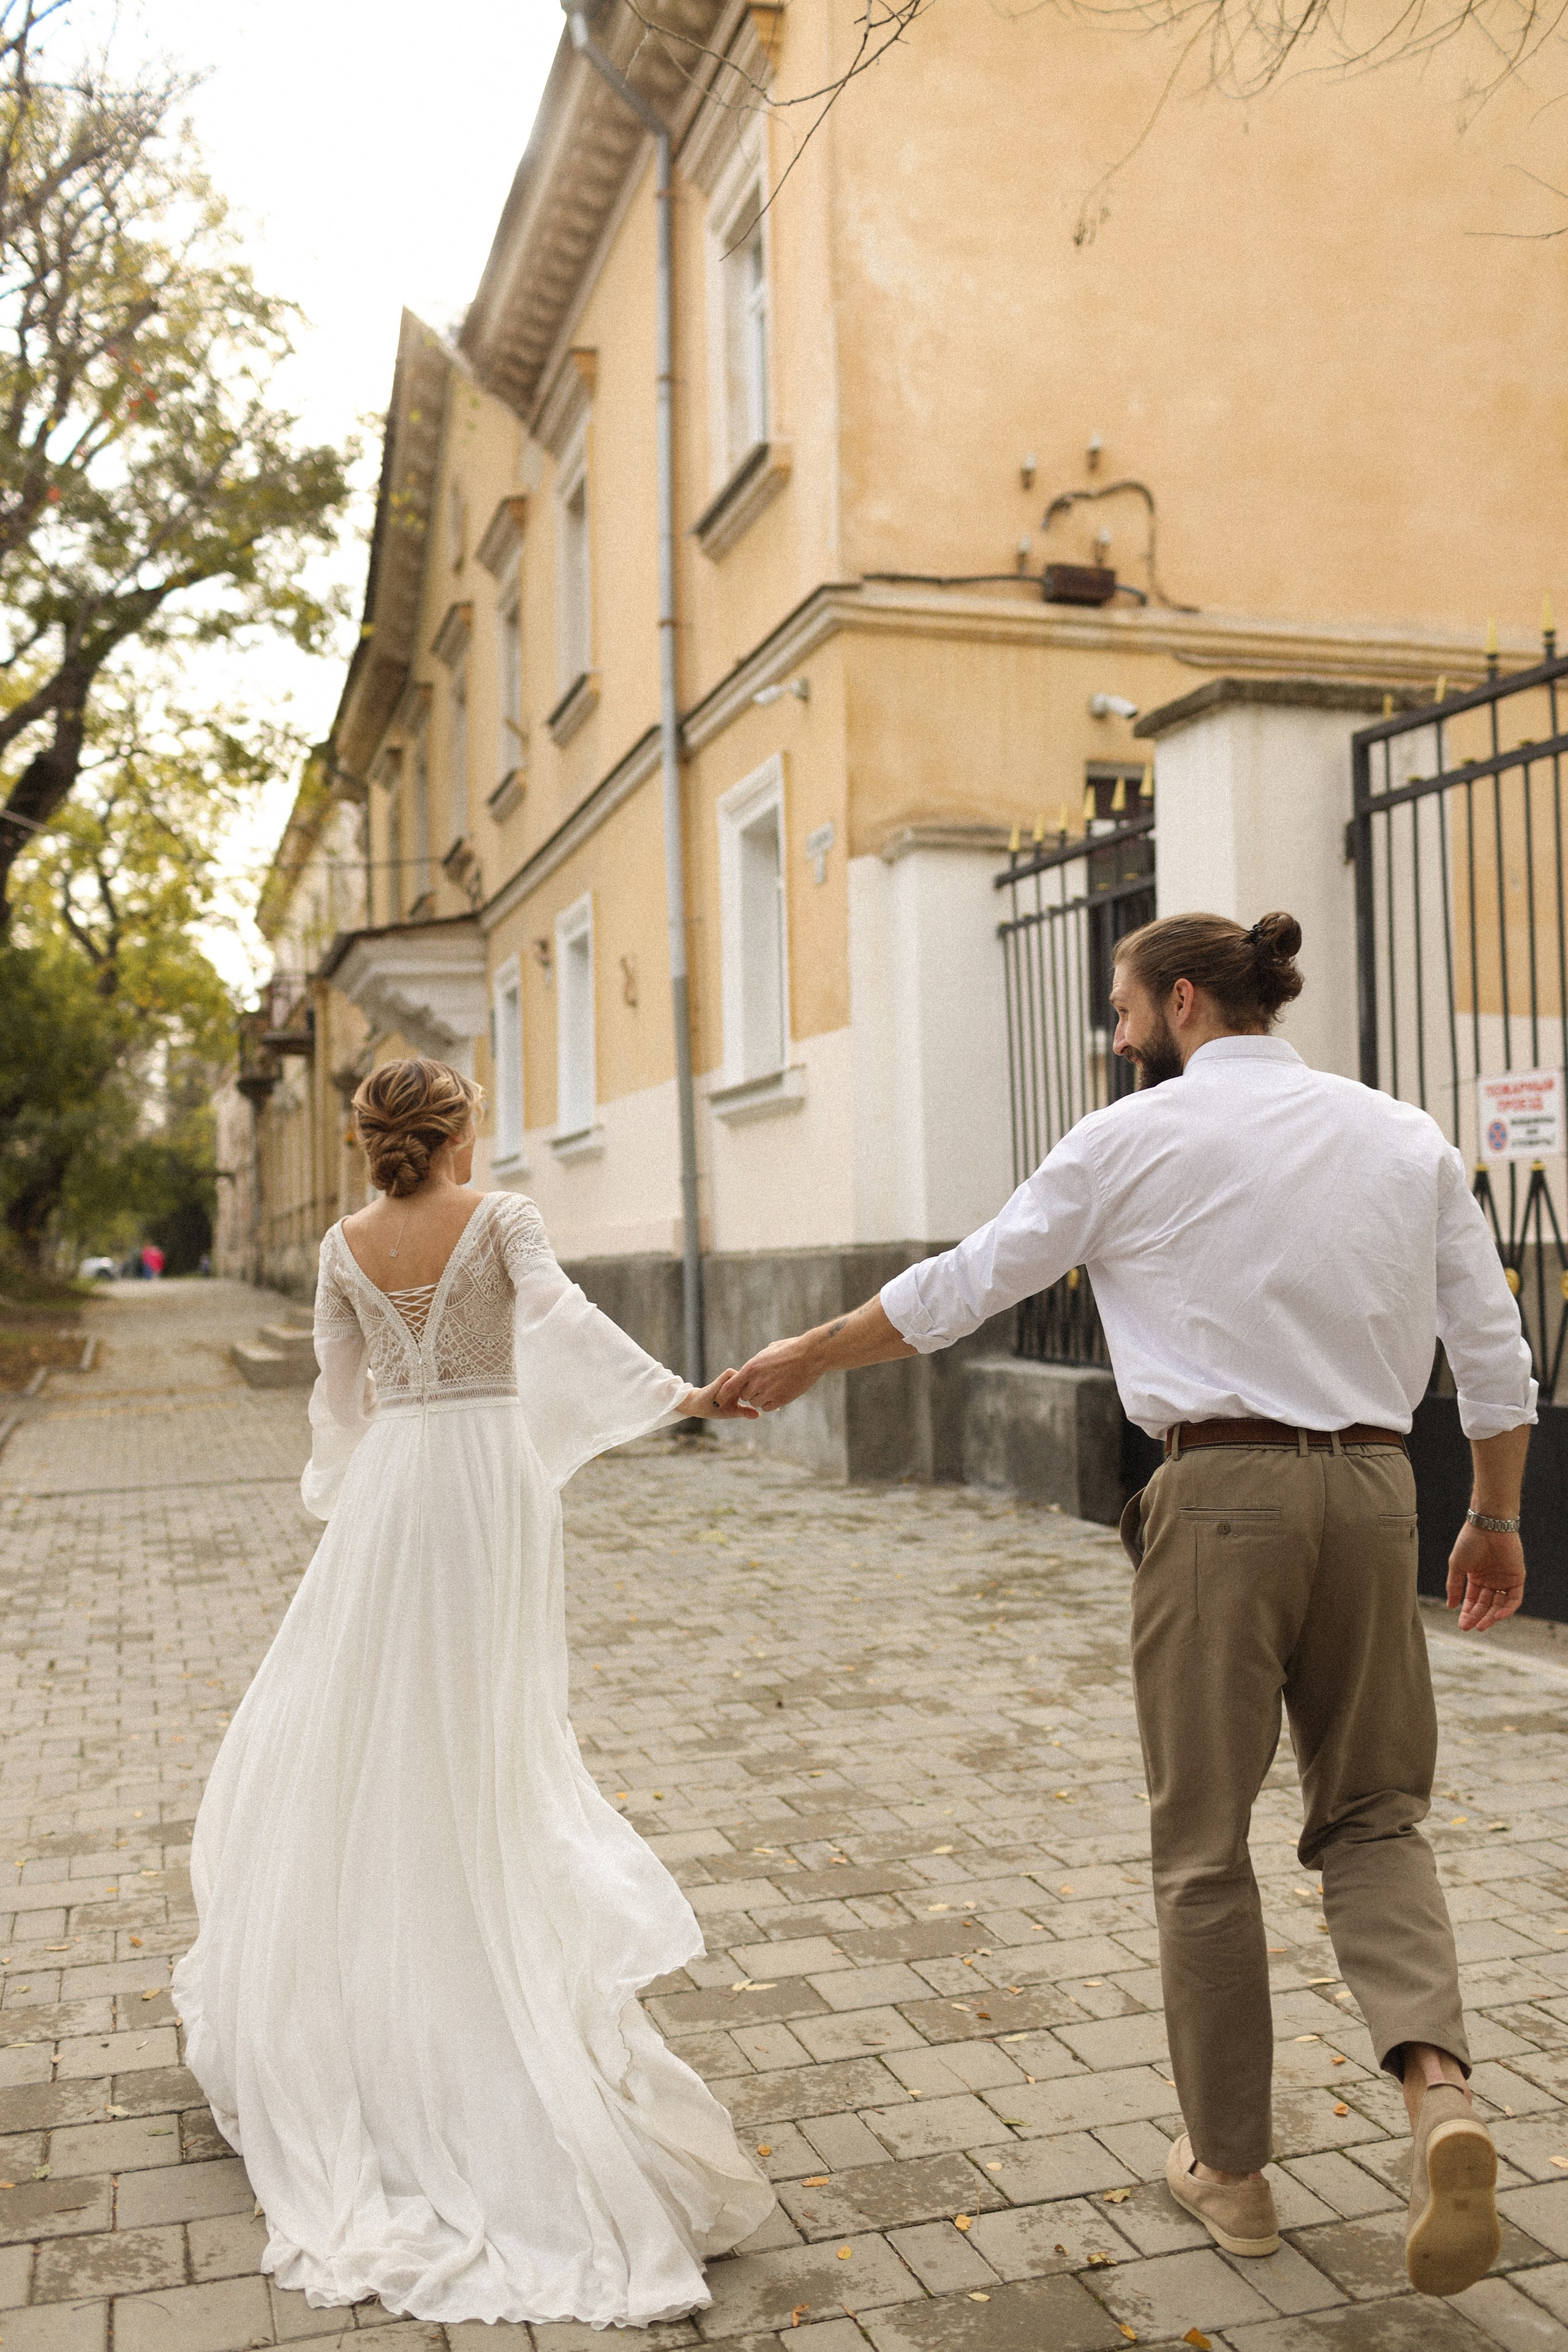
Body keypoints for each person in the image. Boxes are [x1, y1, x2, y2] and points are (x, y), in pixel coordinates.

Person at [718, 910, 1534, 2302]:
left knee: (1201, 1844)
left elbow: (966, 1282)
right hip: (1377, 1494)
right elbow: (1495, 1355)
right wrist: (1495, 1518)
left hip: (1218, 1501)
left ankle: (1229, 2170)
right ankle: (1438, 2097)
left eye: (1118, 1009)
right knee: (1374, 1813)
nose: (1112, 1036)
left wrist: (812, 1349)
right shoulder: (1400, 1136)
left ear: (1176, 1001)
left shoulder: (1129, 1142)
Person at [173, 1057, 774, 2329]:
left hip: (398, 1489)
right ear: (457, 1133)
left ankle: (387, 1962)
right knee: (487, 1731)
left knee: (382, 1726)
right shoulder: (501, 1219)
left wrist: (348, 1495)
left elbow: (336, 1404)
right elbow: (558, 1326)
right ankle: (477, 1956)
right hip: (490, 1489)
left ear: (371, 1139)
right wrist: (679, 1396)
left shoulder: (342, 1244)